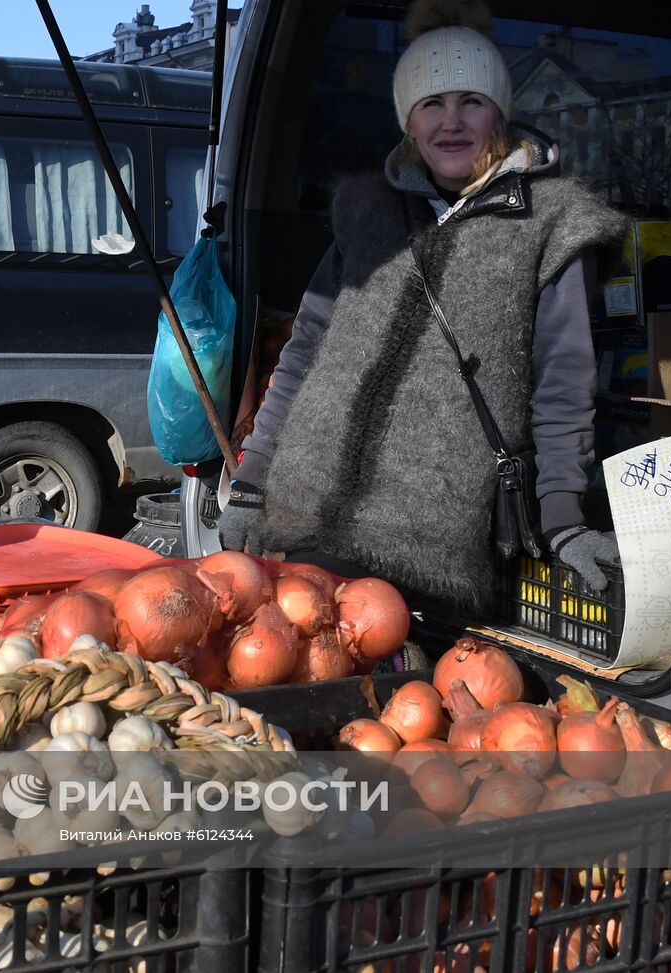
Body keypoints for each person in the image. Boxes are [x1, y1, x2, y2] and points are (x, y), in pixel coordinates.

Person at [216, 0, 626, 615]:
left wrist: (563, 514)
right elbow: (304, 354)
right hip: (311, 521)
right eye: (431, 104)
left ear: (500, 112)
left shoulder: (553, 221)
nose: (451, 122)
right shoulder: (365, 211)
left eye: (471, 101)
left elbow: (564, 382)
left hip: (438, 544)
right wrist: (252, 482)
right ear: (409, 121)